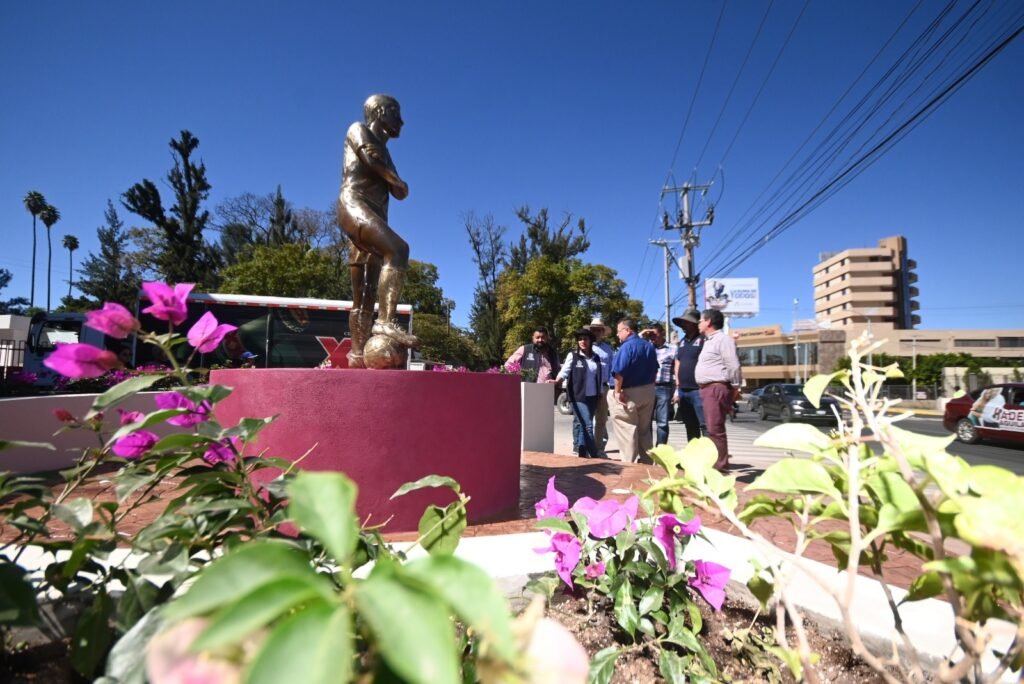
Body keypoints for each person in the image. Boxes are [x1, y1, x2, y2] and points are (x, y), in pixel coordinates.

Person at [338, 94, 419, 368]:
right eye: (396, 113)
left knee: (364, 295)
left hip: (373, 215)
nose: (401, 121)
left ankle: (357, 357)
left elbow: (399, 192)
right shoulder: (358, 129)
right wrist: (395, 179)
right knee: (397, 249)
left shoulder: (387, 153)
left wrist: (395, 179)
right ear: (381, 112)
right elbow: (376, 167)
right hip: (354, 205)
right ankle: (386, 322)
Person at [694, 309, 742, 472]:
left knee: (715, 428)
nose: (698, 323)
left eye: (700, 320)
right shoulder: (708, 341)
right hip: (707, 389)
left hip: (716, 388)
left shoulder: (723, 339)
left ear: (708, 322)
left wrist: (736, 386)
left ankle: (720, 468)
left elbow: (733, 364)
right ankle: (715, 464)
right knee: (711, 427)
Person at [609, 318, 658, 463]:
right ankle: (648, 464)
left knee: (627, 431)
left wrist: (617, 392)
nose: (617, 335)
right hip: (648, 391)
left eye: (619, 331)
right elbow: (655, 370)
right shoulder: (648, 346)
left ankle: (628, 466)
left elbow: (619, 372)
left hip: (628, 393)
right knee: (644, 431)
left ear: (627, 330)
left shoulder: (627, 347)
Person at [555, 329, 604, 458]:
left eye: (585, 339)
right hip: (578, 396)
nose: (582, 341)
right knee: (588, 425)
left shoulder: (596, 357)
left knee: (583, 426)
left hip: (593, 397)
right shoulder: (573, 356)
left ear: (591, 341)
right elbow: (564, 371)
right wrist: (556, 381)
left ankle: (582, 455)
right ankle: (594, 455)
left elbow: (598, 377)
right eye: (580, 339)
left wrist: (600, 393)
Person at [671, 309, 707, 442]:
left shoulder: (704, 340)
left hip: (699, 390)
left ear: (694, 324)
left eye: (686, 322)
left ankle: (709, 458)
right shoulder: (682, 342)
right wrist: (677, 387)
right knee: (690, 425)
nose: (683, 326)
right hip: (683, 390)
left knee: (705, 425)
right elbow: (677, 363)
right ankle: (693, 458)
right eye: (683, 323)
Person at [640, 323, 677, 446]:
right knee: (646, 421)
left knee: (662, 422)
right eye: (650, 335)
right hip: (648, 387)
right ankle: (648, 451)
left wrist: (677, 390)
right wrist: (642, 334)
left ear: (662, 333)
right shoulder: (647, 347)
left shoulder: (672, 349)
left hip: (664, 387)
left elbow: (677, 371)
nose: (652, 337)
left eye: (654, 334)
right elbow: (634, 346)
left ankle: (660, 450)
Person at [584, 317, 614, 454]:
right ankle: (584, 447)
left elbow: (613, 368)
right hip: (588, 387)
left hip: (604, 387)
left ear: (603, 332)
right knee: (587, 419)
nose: (596, 332)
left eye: (599, 330)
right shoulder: (585, 347)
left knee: (601, 420)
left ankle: (598, 449)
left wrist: (613, 388)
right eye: (594, 330)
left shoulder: (608, 349)